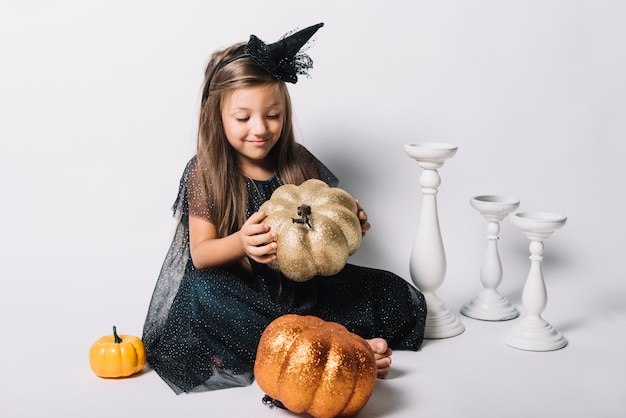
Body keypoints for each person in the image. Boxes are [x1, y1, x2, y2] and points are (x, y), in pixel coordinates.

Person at [142, 22, 427, 394]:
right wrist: (241, 244)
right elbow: (201, 254)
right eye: (243, 118)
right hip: (242, 293)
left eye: (272, 115)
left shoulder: (297, 161)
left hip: (301, 291)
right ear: (217, 116)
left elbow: (327, 234)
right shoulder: (205, 171)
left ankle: (304, 338)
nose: (259, 128)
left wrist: (350, 226)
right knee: (201, 293)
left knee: (394, 295)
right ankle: (337, 351)